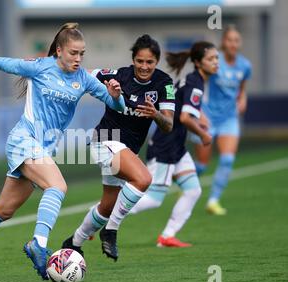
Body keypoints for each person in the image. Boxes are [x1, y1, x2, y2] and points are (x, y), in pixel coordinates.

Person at [0, 23, 125, 280]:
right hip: (24, 139)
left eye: (82, 54)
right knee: (57, 187)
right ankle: (39, 245)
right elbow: (1, 62)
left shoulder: (84, 79)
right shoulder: (39, 67)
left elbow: (116, 105)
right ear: (59, 50)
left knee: (4, 210)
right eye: (73, 53)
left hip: (42, 148)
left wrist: (116, 95)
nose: (78, 59)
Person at [61, 35, 175, 261]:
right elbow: (82, 74)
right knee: (143, 179)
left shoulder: (165, 84)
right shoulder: (117, 75)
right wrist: (50, 67)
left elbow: (168, 125)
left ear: (156, 61)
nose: (144, 66)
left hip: (125, 150)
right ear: (133, 60)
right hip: (104, 139)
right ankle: (111, 231)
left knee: (106, 206)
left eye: (149, 62)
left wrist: (156, 114)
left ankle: (74, 242)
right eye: (140, 61)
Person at [99, 41, 218, 253]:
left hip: (178, 146)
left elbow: (182, 111)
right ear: (199, 63)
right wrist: (204, 134)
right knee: (153, 199)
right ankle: (100, 216)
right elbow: (185, 117)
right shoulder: (195, 83)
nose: (216, 63)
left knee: (193, 190)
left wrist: (202, 119)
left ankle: (167, 236)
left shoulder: (187, 81)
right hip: (167, 145)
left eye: (216, 58)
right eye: (211, 59)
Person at [194, 26, 252, 216]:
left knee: (227, 159)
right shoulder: (214, 62)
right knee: (202, 165)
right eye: (230, 40)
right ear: (223, 43)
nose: (233, 44)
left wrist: (242, 99)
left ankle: (213, 200)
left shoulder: (244, 66)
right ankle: (186, 185)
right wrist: (199, 111)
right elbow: (197, 84)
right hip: (208, 117)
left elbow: (242, 88)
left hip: (229, 119)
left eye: (237, 40)